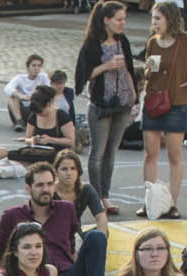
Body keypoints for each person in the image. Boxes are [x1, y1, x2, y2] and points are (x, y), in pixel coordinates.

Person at [0, 162, 108, 276]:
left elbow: (72, 245)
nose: (45, 189)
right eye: (39, 185)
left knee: (97, 236)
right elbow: (1, 255)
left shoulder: (67, 209)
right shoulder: (12, 216)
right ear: (28, 188)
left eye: (49, 184)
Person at [134, 4, 187, 220]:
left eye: (157, 19)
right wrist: (148, 68)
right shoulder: (153, 41)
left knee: (174, 155)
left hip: (176, 103)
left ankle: (172, 203)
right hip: (153, 101)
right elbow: (148, 72)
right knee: (150, 153)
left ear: (169, 19)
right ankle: (149, 201)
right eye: (153, 19)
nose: (153, 23)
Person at [74, 2, 138, 199]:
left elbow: (129, 69)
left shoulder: (122, 41)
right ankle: (95, 196)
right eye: (119, 19)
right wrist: (107, 66)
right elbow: (84, 75)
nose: (122, 23)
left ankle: (105, 196)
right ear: (106, 20)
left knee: (111, 153)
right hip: (101, 104)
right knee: (97, 154)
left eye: (123, 19)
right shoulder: (92, 44)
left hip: (123, 102)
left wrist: (135, 97)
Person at [53, 150, 111, 232]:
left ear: (78, 171)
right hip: (53, 237)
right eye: (64, 169)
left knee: (101, 233)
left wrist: (101, 236)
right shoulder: (49, 191)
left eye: (73, 168)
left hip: (76, 235)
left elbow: (101, 216)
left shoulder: (86, 189)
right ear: (56, 172)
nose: (69, 173)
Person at [23, 85, 76, 153]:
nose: (38, 115)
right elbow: (27, 139)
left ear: (48, 104)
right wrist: (33, 140)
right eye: (36, 113)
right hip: (38, 152)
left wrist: (51, 140)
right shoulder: (33, 116)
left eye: (40, 112)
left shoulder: (62, 116)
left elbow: (71, 142)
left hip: (57, 153)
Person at [6, 53, 47, 128]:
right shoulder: (19, 78)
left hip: (36, 109)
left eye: (39, 66)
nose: (36, 68)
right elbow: (7, 88)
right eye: (34, 65)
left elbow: (50, 88)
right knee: (12, 97)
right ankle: (19, 121)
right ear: (28, 67)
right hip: (22, 110)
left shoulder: (43, 77)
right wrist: (21, 96)